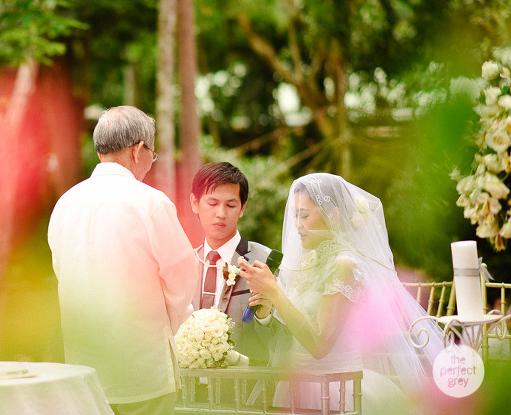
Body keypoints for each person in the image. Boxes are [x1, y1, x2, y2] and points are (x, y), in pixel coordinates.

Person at [237, 173, 444, 414]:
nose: (297, 225)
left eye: (304, 215)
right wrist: (267, 309)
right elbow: (295, 327)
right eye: (295, 216)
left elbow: (319, 344)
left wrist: (275, 291)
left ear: (332, 214)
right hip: (295, 386)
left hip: (337, 391)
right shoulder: (309, 261)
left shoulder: (345, 264)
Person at [48, 106, 198, 415]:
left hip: (84, 368)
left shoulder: (65, 203)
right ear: (138, 149)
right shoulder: (150, 202)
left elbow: (62, 273)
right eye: (152, 154)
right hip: (141, 369)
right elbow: (182, 281)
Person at [189, 162, 282, 366]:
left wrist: (265, 315)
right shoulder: (184, 262)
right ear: (195, 203)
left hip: (247, 388)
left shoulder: (264, 262)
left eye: (230, 205)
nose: (221, 213)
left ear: (243, 208)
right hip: (189, 386)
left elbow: (282, 339)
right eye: (212, 203)